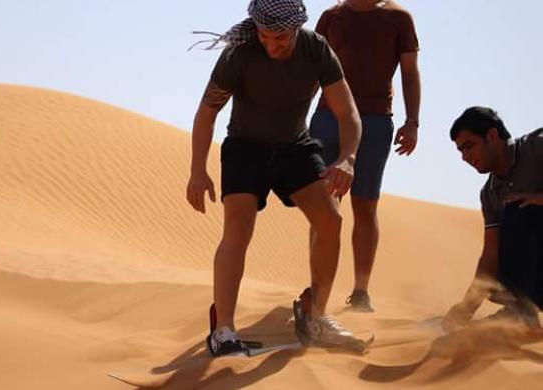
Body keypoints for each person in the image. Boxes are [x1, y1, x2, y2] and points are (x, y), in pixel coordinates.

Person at [187, 0, 367, 356]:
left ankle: (315, 315)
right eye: (265, 36)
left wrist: (347, 159)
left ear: (297, 28)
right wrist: (197, 169)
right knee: (237, 229)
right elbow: (207, 111)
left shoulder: (316, 49)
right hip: (244, 148)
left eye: (281, 37)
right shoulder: (239, 53)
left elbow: (348, 112)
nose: (273, 45)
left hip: (294, 147)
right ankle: (223, 330)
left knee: (331, 220)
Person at [310, 0, 421, 312]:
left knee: (365, 205)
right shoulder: (332, 17)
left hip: (374, 121)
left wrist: (411, 122)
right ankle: (317, 290)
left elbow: (410, 73)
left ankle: (360, 292)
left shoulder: (398, 18)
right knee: (323, 204)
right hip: (327, 118)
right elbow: (310, 71)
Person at [443, 107, 543, 330]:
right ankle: (520, 312)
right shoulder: (490, 194)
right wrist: (466, 309)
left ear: (492, 136)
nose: (465, 157)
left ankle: (522, 313)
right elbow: (490, 256)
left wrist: (538, 199)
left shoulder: (537, 147)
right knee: (498, 260)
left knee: (518, 211)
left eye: (469, 146)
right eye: (460, 151)